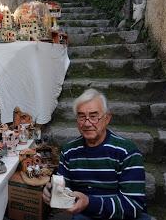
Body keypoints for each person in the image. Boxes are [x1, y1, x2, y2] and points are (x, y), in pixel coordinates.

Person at [43, 88, 150, 220]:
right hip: (84, 215)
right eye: (81, 117)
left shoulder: (127, 152)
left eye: (93, 116)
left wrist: (89, 202)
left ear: (107, 118)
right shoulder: (69, 151)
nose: (87, 123)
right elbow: (64, 187)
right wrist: (52, 191)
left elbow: (133, 205)